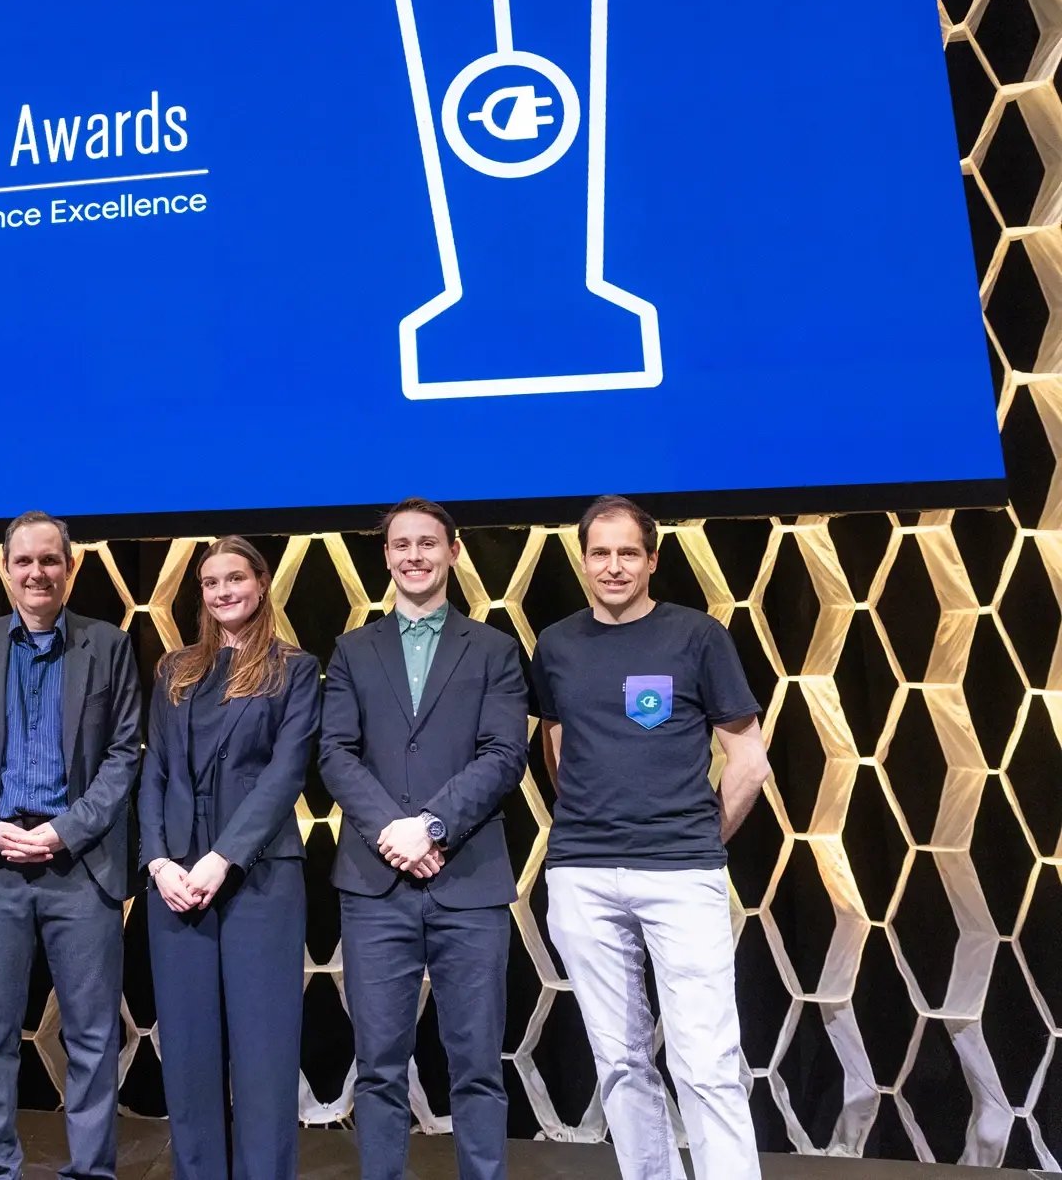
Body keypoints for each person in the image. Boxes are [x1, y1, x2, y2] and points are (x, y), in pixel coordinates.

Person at [533, 496, 771, 1180]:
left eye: (627, 553)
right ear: (583, 561)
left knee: (706, 1060)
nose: (613, 566)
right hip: (581, 874)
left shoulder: (696, 637)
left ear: (652, 560)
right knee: (620, 1061)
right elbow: (557, 750)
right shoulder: (556, 645)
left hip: (680, 874)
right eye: (600, 553)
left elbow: (748, 760)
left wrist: (701, 836)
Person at [318, 497, 529, 1180]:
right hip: (376, 887)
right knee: (378, 1067)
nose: (414, 555)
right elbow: (335, 755)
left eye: (427, 543)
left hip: (469, 881)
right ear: (386, 557)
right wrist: (395, 833)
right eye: (401, 544)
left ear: (454, 552)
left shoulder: (494, 649)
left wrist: (431, 826)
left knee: (475, 1066)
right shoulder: (353, 649)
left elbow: (504, 755)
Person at [0, 511, 143, 1180]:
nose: (36, 573)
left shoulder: (108, 645)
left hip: (81, 869)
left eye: (49, 560)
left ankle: (92, 1172)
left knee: (90, 1036)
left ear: (70, 568)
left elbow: (123, 754)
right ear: (5, 569)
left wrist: (66, 829)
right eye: (22, 561)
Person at [139, 536, 319, 1180]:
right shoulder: (175, 670)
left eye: (235, 578)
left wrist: (224, 857)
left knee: (264, 1054)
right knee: (188, 1055)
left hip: (260, 877)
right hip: (175, 885)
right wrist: (158, 862)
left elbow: (286, 774)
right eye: (211, 583)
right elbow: (154, 769)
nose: (223, 592)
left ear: (261, 582)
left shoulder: (294, 668)